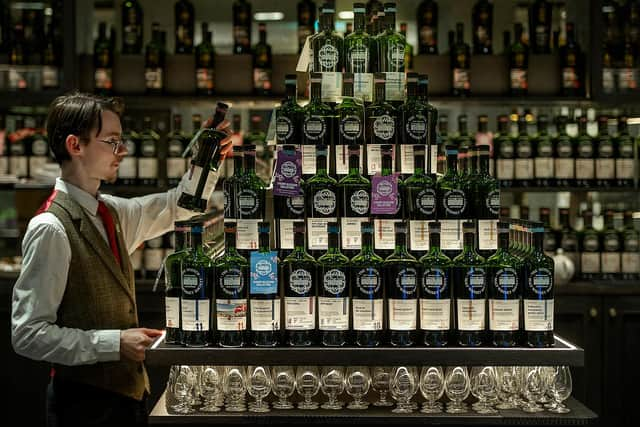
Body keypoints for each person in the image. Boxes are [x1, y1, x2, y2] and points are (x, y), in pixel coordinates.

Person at [10, 92, 232, 426]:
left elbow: (178, 206)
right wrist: (115, 343)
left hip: (127, 399)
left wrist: (208, 158)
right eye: (112, 141)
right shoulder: (51, 228)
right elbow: (28, 333)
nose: (123, 151)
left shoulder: (110, 211)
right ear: (76, 145)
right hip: (82, 407)